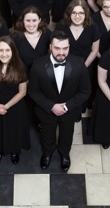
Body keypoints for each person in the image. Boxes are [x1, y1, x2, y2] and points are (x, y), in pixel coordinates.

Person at [28, 31, 91, 171]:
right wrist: (51, 106)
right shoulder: (38, 64)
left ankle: (65, 154)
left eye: (65, 48)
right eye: (57, 48)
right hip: (46, 110)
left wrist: (67, 106)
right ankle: (47, 153)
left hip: (70, 111)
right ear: (50, 47)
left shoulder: (79, 63)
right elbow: (33, 91)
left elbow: (85, 91)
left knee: (67, 134)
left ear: (69, 46)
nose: (61, 52)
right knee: (47, 134)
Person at [0, 36, 30, 164]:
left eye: (7, 50)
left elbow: (22, 92)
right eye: (1, 50)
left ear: (13, 51)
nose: (4, 54)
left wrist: (6, 106)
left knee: (14, 128)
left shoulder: (20, 66)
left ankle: (14, 150)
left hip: (14, 104)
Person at [11, 6, 52, 130]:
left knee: (41, 102)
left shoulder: (47, 35)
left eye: (34, 20)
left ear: (40, 20)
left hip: (42, 77)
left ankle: (39, 122)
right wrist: (24, 79)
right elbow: (14, 62)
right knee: (25, 103)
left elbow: (51, 58)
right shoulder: (15, 37)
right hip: (23, 77)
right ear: (22, 21)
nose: (31, 24)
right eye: (28, 20)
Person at [56, 0, 100, 114]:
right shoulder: (61, 26)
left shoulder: (93, 27)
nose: (77, 16)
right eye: (74, 13)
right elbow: (57, 48)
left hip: (86, 64)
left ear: (85, 14)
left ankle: (81, 109)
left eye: (81, 13)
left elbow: (95, 51)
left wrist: (82, 67)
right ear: (69, 13)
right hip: (66, 64)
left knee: (83, 90)